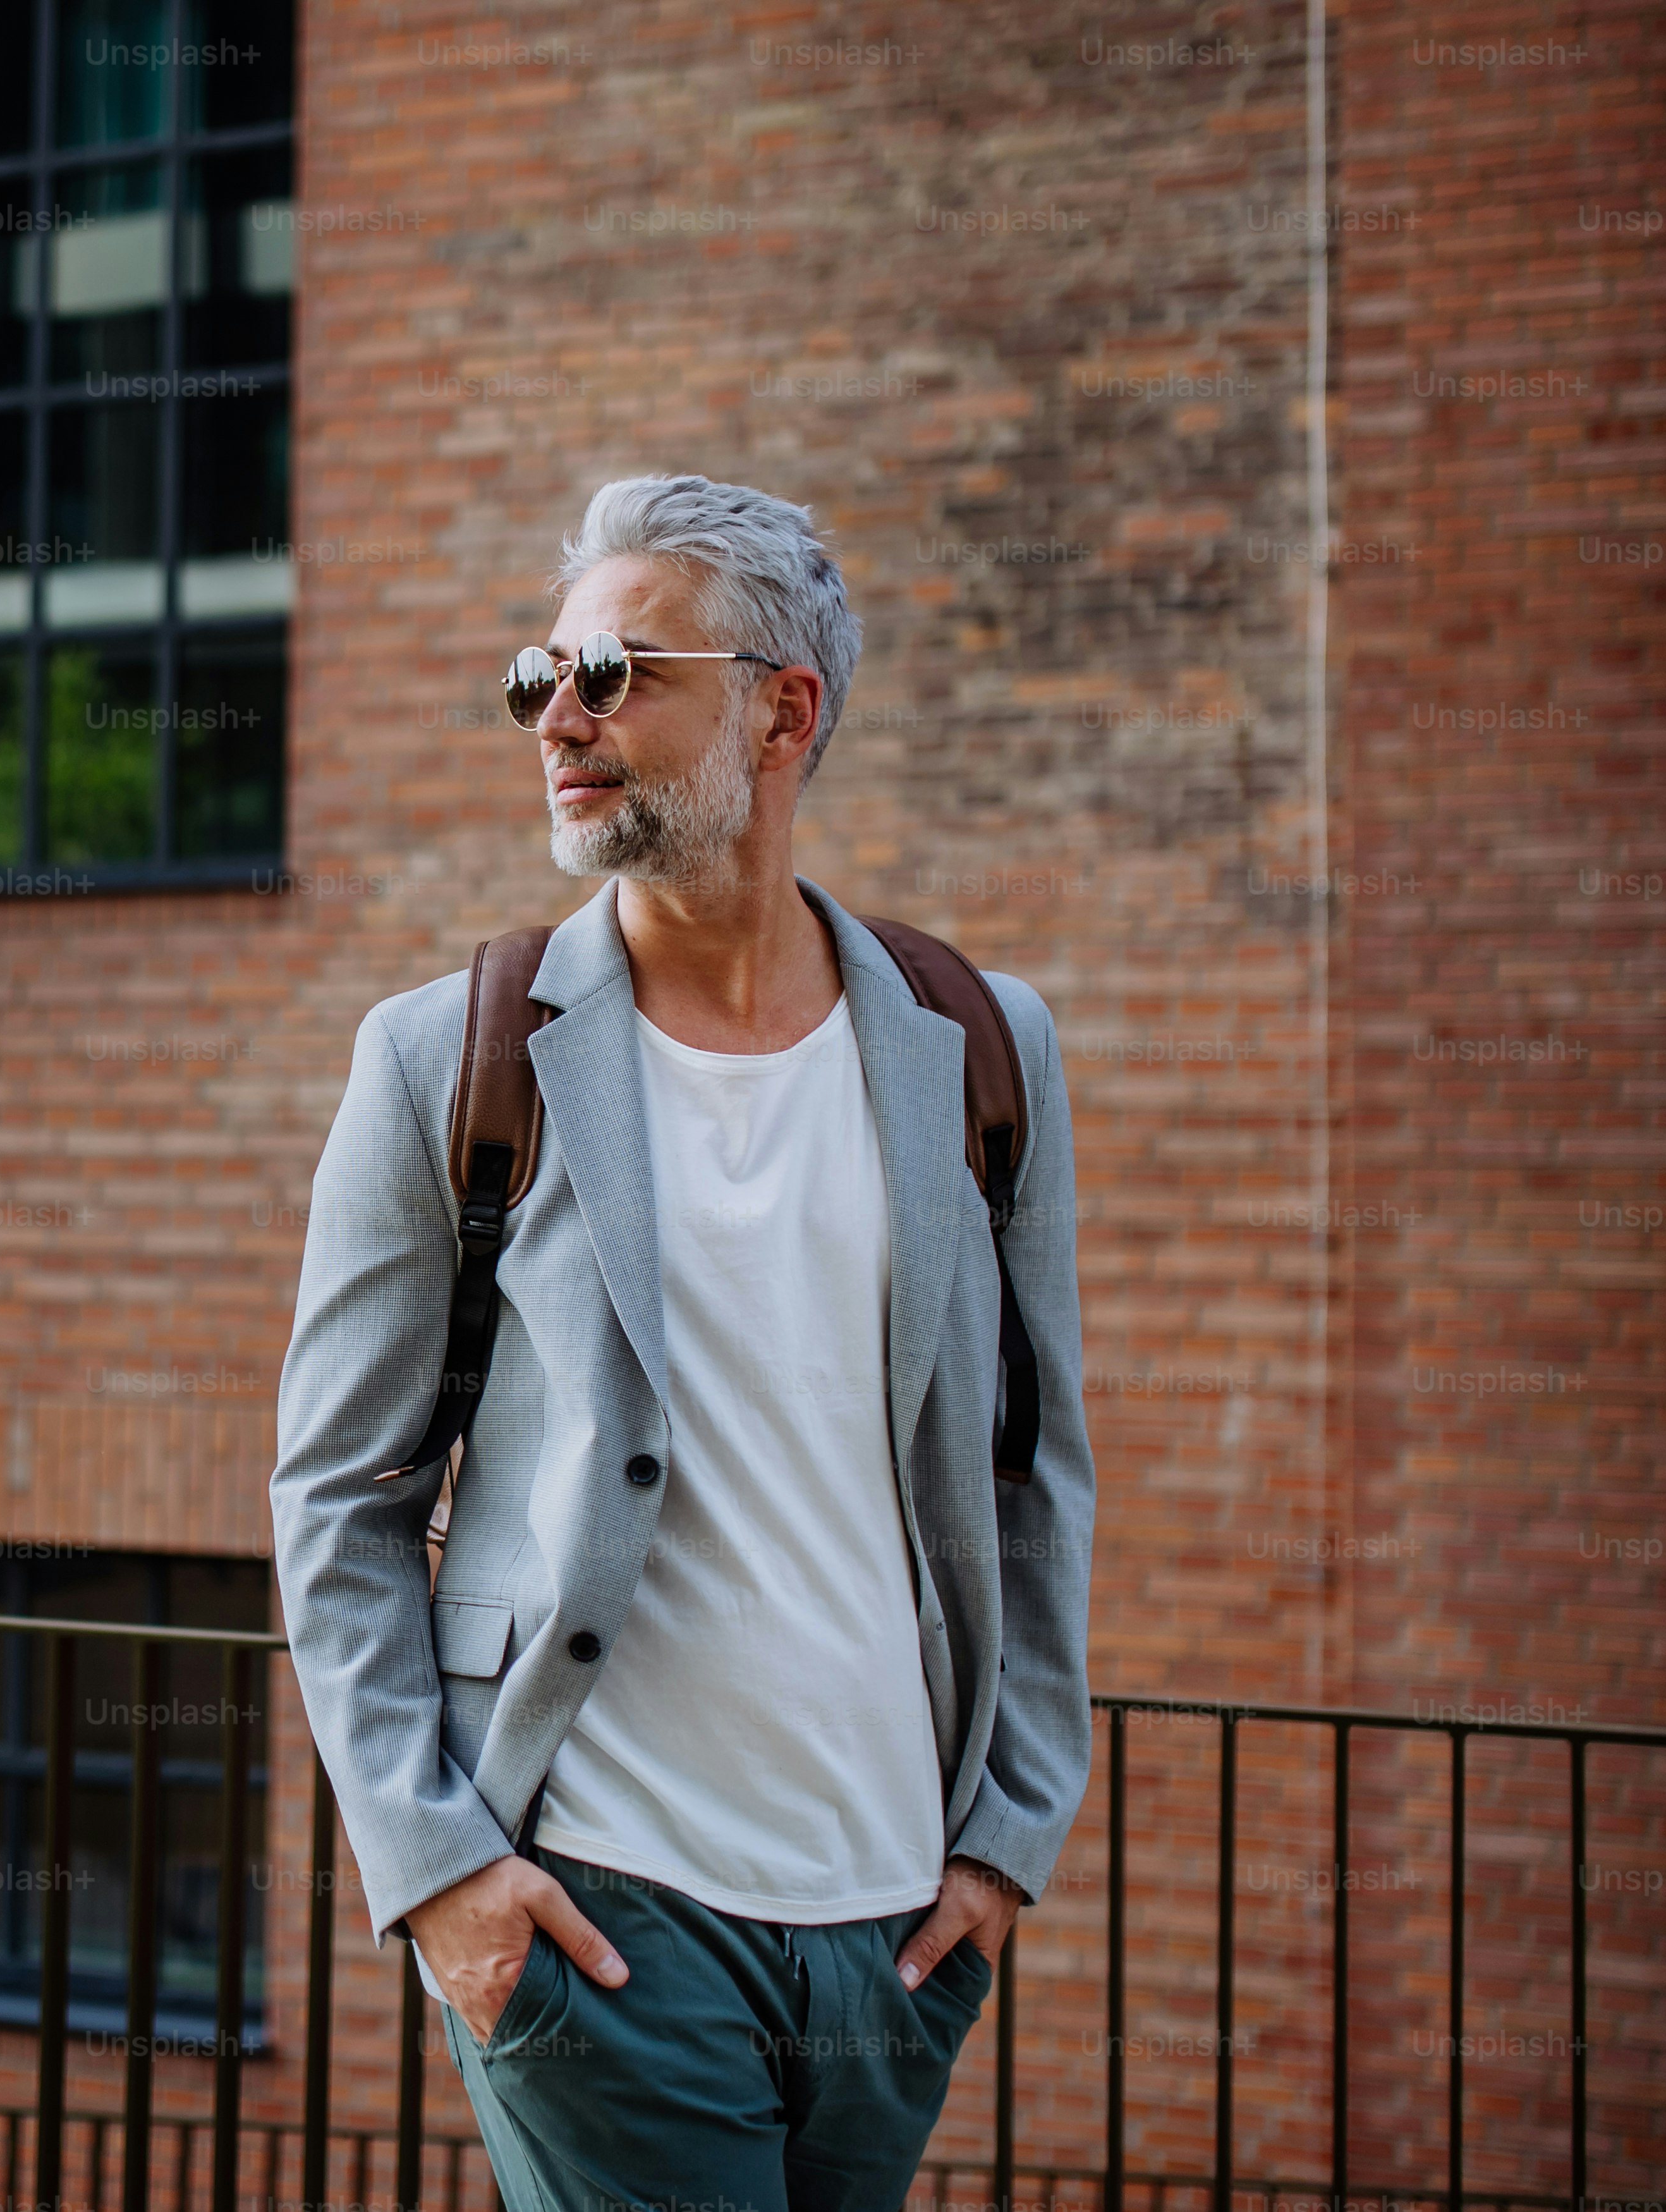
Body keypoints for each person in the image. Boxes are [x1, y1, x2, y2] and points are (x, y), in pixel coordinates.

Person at [270, 474, 1094, 2209]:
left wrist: (1008, 1835)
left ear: (781, 708)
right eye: (537, 677)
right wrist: (437, 1875)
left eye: (617, 672)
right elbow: (339, 1496)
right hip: (596, 1910)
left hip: (895, 1931)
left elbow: (1033, 1468)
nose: (555, 717)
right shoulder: (449, 1058)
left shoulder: (980, 1045)